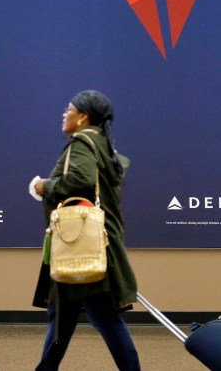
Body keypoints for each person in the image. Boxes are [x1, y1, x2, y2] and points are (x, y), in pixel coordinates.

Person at [29, 90, 141, 371]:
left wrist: (46, 186)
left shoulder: (81, 143)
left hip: (78, 246)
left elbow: (80, 179)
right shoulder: (104, 145)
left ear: (83, 118)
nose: (64, 114)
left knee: (89, 318)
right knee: (73, 317)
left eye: (69, 109)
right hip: (97, 245)